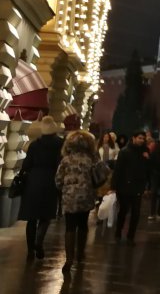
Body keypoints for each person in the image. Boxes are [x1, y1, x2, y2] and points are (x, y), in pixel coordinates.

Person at [18, 116, 63, 260]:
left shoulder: (34, 145)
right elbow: (61, 163)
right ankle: (39, 242)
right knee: (45, 216)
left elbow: (26, 165)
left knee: (31, 218)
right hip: (51, 180)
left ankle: (30, 251)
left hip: (34, 181)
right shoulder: (60, 144)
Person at [55, 130, 98, 274]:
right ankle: (80, 254)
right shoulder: (90, 159)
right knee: (83, 225)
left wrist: (65, 188)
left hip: (70, 197)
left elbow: (58, 180)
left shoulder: (66, 160)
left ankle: (69, 259)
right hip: (86, 196)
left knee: (70, 227)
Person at [112, 130, 148, 244]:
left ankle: (131, 236)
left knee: (136, 213)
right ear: (134, 138)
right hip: (124, 187)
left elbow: (147, 169)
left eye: (143, 138)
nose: (141, 140)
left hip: (138, 186)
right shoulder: (125, 151)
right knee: (123, 211)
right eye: (139, 138)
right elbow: (118, 169)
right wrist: (113, 187)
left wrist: (147, 159)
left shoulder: (144, 152)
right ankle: (118, 231)